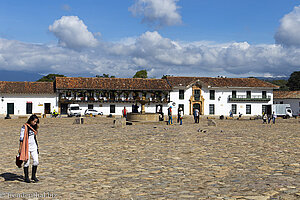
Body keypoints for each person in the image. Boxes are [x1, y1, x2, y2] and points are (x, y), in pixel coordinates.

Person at [18, 114, 40, 183]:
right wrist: (20, 148)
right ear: (30, 120)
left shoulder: (34, 127)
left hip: (34, 146)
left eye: (36, 122)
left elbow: (34, 137)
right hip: (26, 147)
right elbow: (21, 139)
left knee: (36, 161)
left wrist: (37, 147)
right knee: (27, 162)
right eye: (34, 121)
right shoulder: (24, 127)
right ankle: (26, 177)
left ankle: (33, 176)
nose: (35, 123)